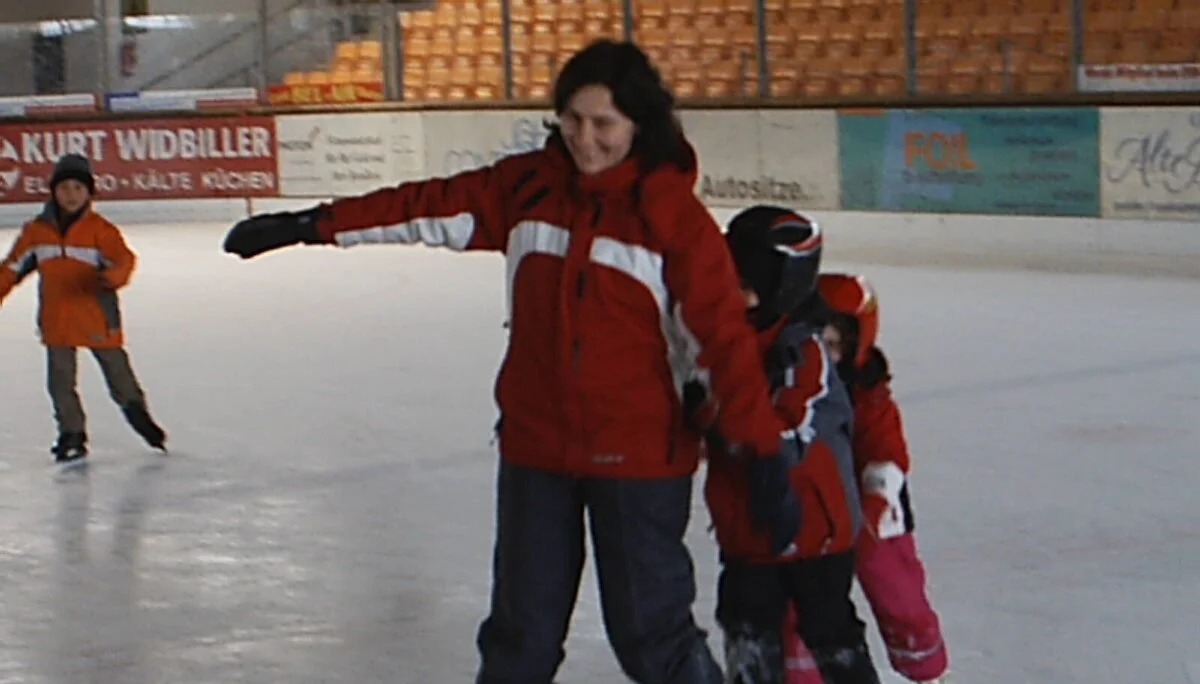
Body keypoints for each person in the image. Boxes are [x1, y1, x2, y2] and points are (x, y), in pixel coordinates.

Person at [222, 39, 799, 684]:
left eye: (604, 124)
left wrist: (761, 453)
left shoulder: (674, 221)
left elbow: (721, 344)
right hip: (536, 452)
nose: (585, 139)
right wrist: (311, 224)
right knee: (519, 640)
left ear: (640, 124)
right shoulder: (527, 186)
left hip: (638, 461)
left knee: (651, 639)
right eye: (572, 119)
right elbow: (422, 205)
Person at [684, 206, 882, 684]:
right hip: (746, 531)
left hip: (815, 532)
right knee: (746, 629)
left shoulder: (805, 351)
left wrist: (717, 419)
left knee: (830, 632)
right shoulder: (719, 343)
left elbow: (791, 430)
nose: (735, 293)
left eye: (747, 284)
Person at [817, 272, 950, 684]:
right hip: (815, 502)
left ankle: (925, 668)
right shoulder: (790, 380)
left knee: (895, 585)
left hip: (874, 506)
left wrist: (878, 494)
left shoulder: (869, 395)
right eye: (818, 342)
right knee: (804, 597)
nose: (825, 354)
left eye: (835, 345)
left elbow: (885, 449)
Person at [0, 153, 167, 463]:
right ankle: (71, 433)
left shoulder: (101, 231)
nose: (71, 195)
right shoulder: (36, 231)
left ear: (89, 192)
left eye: (78, 188)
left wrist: (113, 277)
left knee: (118, 374)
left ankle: (137, 414)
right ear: (53, 191)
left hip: (97, 318)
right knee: (60, 383)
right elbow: (11, 269)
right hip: (56, 320)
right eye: (64, 188)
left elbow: (124, 260)